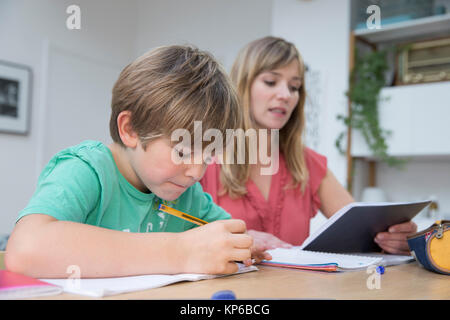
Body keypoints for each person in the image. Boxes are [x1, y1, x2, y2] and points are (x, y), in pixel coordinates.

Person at [5, 45, 269, 279]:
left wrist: (240, 244)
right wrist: (180, 252)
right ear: (131, 129)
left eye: (209, 155)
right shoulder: (86, 170)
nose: (197, 172)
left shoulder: (186, 194)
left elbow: (228, 236)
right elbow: (25, 250)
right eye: (184, 151)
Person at [200, 36, 417, 255]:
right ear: (242, 85)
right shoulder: (204, 159)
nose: (285, 95)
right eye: (271, 82)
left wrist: (394, 238)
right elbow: (173, 239)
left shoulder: (306, 163)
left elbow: (365, 231)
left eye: (294, 87)